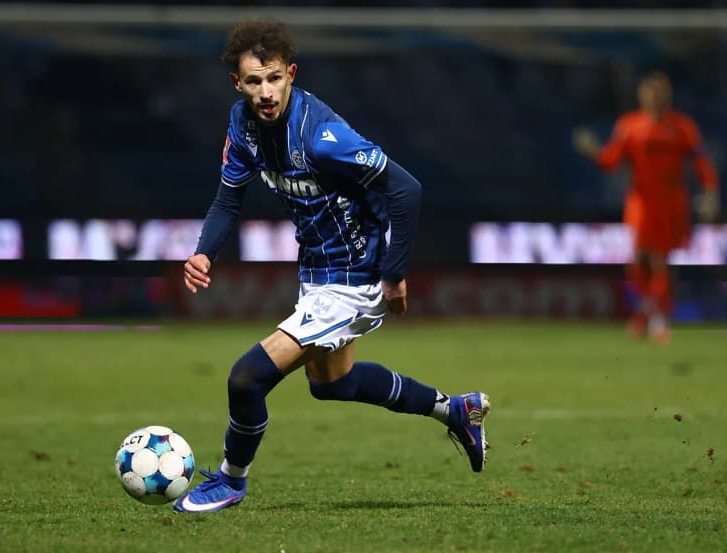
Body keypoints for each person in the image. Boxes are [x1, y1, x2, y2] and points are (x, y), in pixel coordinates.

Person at [174, 19, 490, 513]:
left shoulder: (321, 137)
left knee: (246, 377)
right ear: (237, 83)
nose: (265, 92)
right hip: (316, 271)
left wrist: (394, 274)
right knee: (332, 384)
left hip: (355, 276)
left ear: (291, 74)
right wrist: (203, 253)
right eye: (254, 81)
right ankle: (455, 411)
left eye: (274, 78)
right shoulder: (242, 125)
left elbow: (406, 190)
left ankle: (231, 481)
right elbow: (228, 199)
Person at [573, 71, 720, 342]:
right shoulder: (629, 125)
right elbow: (611, 161)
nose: (654, 99)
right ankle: (645, 311)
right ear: (641, 96)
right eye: (650, 94)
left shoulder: (682, 127)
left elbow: (701, 161)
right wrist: (594, 152)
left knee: (660, 261)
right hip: (640, 202)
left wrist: (710, 191)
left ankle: (659, 320)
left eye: (660, 94)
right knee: (638, 261)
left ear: (667, 97)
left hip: (670, 201)